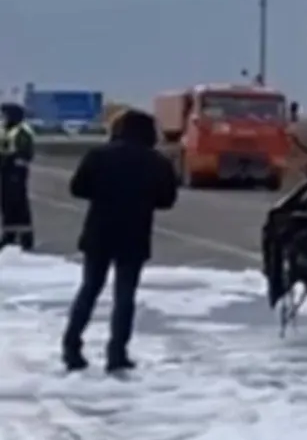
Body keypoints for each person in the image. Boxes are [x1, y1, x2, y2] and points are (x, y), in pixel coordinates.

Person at [63, 109, 178, 373]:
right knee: (125, 296)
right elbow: (167, 201)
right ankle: (117, 353)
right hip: (134, 233)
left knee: (90, 288)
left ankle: (72, 347)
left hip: (99, 231)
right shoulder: (157, 162)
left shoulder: (99, 156)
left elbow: (77, 188)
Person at [0, 101, 35, 250]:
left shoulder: (22, 131)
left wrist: (11, 161)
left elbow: (25, 154)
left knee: (18, 204)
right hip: (5, 171)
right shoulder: (4, 129)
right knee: (6, 203)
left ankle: (25, 237)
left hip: (16, 172)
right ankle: (9, 234)